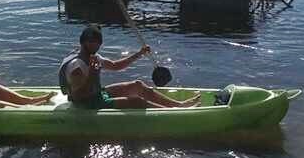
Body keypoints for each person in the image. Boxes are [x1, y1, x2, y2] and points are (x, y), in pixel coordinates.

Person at [59, 25, 201, 109]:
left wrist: (139, 54)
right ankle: (172, 114)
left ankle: (179, 105)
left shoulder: (93, 57)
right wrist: (93, 73)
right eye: (91, 42)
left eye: (97, 42)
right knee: (137, 101)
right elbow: (78, 96)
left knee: (137, 85)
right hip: (86, 103)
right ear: (83, 42)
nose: (95, 45)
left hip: (96, 94)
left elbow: (115, 66)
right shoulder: (76, 67)